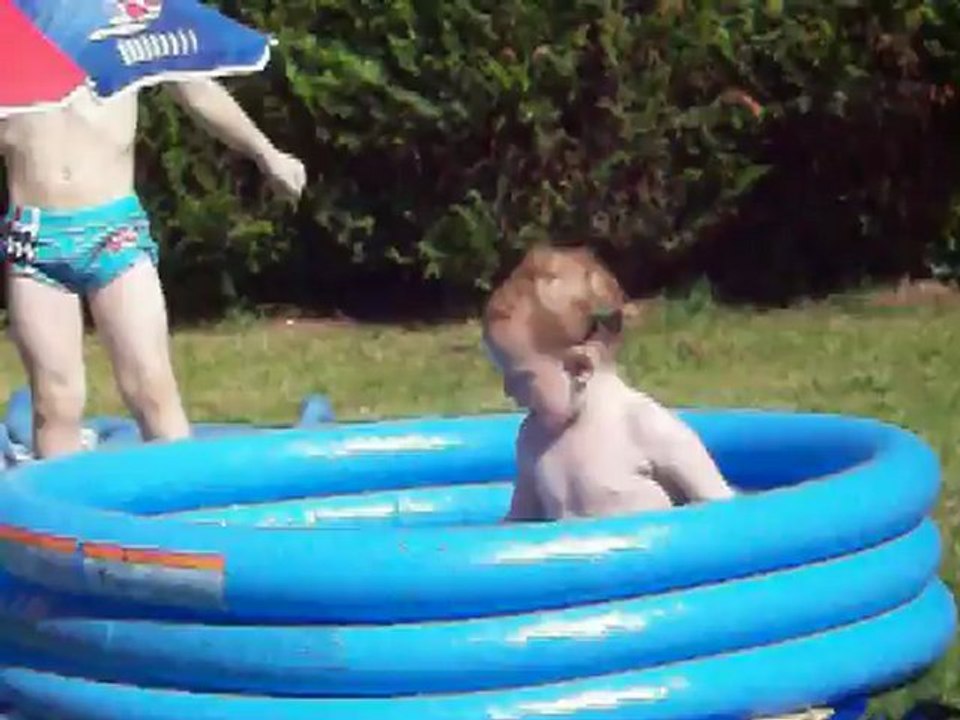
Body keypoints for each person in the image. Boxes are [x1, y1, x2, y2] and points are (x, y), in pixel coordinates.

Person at [0, 80, 306, 458]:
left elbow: (195, 88)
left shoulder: (119, 29)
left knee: (151, 388)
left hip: (115, 233)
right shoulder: (13, 35)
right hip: (35, 239)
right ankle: (58, 515)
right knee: (55, 402)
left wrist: (266, 152)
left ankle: (186, 506)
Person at [482, 245, 736, 521]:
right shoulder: (533, 441)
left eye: (521, 379)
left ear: (580, 368)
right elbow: (520, 522)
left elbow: (723, 516)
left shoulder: (643, 426)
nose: (508, 391)